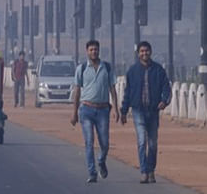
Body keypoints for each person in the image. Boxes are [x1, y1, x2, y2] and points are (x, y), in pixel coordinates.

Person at [120, 41, 171, 184]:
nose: (144, 53)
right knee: (142, 141)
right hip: (138, 110)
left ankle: (151, 171)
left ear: (151, 52)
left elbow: (166, 88)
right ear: (138, 54)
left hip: (153, 111)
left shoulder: (158, 70)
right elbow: (128, 92)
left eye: (146, 51)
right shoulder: (132, 71)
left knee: (153, 143)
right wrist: (123, 111)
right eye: (142, 51)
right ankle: (143, 171)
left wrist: (164, 101)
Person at [70, 40, 119, 184]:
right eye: (91, 50)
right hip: (86, 109)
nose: (94, 52)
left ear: (99, 51)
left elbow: (113, 89)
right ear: (87, 51)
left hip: (103, 110)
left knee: (105, 143)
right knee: (89, 142)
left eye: (96, 50)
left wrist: (115, 108)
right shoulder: (82, 68)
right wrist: (74, 113)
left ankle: (101, 160)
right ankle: (92, 172)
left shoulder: (107, 68)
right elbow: (77, 91)